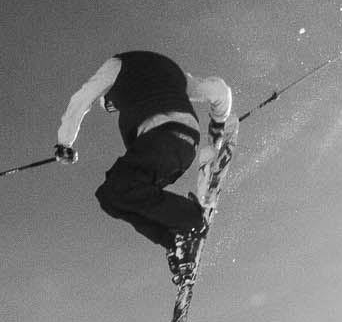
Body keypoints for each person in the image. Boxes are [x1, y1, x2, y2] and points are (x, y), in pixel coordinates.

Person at [53, 51, 234, 279]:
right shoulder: (172, 73)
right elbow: (219, 91)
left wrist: (64, 143)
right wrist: (218, 124)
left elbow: (83, 98)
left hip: (161, 138)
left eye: (111, 105)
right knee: (111, 196)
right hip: (185, 147)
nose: (115, 108)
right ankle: (177, 241)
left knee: (117, 190)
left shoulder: (117, 67)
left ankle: (189, 220)